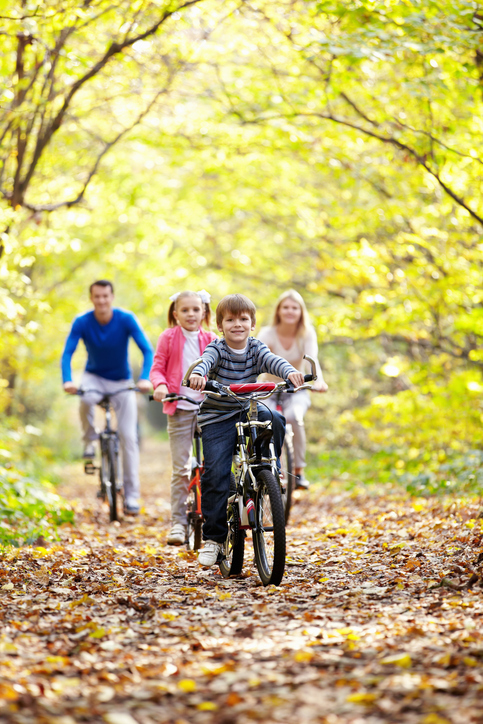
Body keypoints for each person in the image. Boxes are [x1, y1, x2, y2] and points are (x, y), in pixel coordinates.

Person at [189, 293, 304, 568]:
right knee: (216, 473)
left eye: (243, 319)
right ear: (220, 325)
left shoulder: (256, 348)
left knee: (275, 418)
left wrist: (290, 373)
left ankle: (269, 467)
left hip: (247, 408)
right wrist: (199, 375)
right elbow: (204, 361)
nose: (237, 324)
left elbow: (274, 361)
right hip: (217, 415)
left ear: (252, 324)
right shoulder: (217, 349)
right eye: (230, 320)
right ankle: (214, 540)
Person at [61, 280, 154, 515]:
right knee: (85, 400)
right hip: (94, 378)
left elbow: (147, 350)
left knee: (128, 437)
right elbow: (68, 353)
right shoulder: (82, 322)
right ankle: (90, 440)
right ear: (91, 298)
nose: (101, 300)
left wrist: (144, 378)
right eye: (97, 297)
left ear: (112, 297)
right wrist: (68, 380)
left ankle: (132, 497)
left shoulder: (126, 319)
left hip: (122, 381)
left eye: (105, 296)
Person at [149, 290, 217, 546]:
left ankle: (216, 522)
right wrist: (160, 386)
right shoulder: (168, 337)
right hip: (179, 407)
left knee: (215, 467)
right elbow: (157, 367)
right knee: (181, 469)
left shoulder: (212, 339)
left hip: (209, 408)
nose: (191, 314)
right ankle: (178, 523)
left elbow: (219, 369)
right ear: (176, 314)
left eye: (196, 310)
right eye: (185, 310)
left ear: (204, 312)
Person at [257, 289, 328, 490]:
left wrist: (318, 381)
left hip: (296, 390)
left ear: (301, 311)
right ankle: (268, 468)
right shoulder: (267, 333)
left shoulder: (306, 333)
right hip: (268, 388)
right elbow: (258, 360)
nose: (290, 311)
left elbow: (312, 361)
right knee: (264, 420)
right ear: (278, 311)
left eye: (294, 308)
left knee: (294, 417)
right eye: (285, 307)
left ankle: (298, 471)